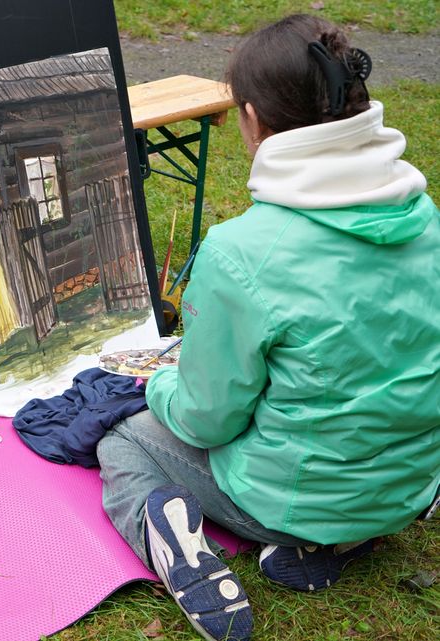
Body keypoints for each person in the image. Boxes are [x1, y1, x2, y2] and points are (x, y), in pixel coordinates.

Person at [96, 14, 440, 641]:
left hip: (299, 498)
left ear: (253, 118)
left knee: (123, 438)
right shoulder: (424, 213)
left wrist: (160, 384)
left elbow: (206, 419)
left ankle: (177, 544)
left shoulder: (242, 251)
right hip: (413, 487)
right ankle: (328, 546)